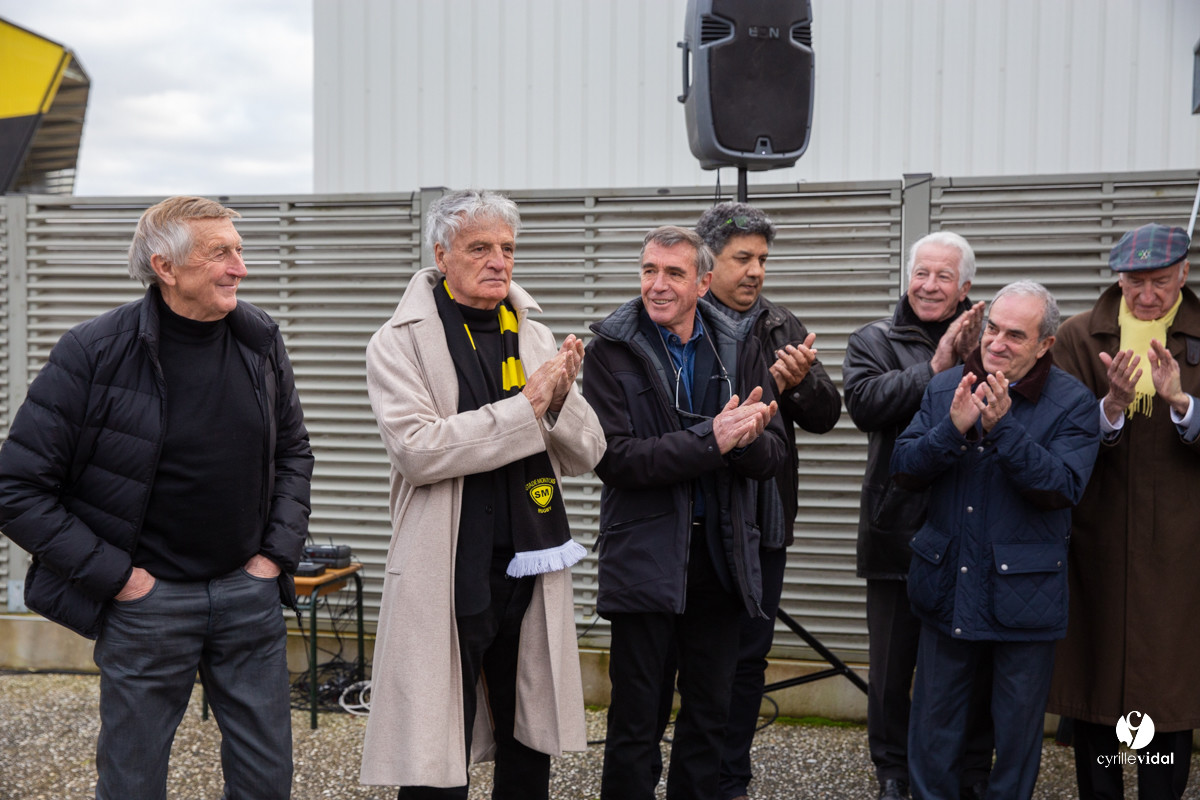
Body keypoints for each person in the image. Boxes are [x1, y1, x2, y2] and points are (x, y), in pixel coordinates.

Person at [0, 196, 314, 800]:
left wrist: (273, 557)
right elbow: (17, 489)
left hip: (246, 594)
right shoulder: (93, 352)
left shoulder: (260, 340)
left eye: (239, 250)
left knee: (267, 780)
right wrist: (121, 580)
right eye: (220, 252)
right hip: (147, 604)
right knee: (132, 782)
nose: (239, 268)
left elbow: (294, 453)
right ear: (166, 267)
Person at [358, 189, 606, 798]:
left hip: (528, 562)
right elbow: (419, 451)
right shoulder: (399, 340)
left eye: (507, 248)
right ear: (442, 255)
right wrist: (527, 408)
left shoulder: (535, 335)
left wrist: (558, 403)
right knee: (435, 743)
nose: (499, 260)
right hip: (448, 565)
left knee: (528, 738)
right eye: (480, 248)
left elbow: (588, 452)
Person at [582, 225, 789, 800]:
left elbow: (771, 455)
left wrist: (744, 441)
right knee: (635, 722)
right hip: (645, 558)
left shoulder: (738, 345)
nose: (658, 284)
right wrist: (713, 441)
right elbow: (616, 458)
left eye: (674, 273)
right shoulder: (609, 350)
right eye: (649, 270)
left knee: (708, 719)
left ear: (703, 282)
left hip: (721, 560)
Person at [892, 280, 1100, 800]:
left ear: (1045, 345)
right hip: (946, 587)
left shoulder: (1074, 403)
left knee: (1015, 740)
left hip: (1023, 599)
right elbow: (904, 470)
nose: (997, 342)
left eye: (1015, 334)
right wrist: (952, 430)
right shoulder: (946, 388)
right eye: (992, 329)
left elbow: (1062, 487)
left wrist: (1004, 429)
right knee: (933, 732)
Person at [693, 202, 841, 800]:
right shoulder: (683, 319)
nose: (755, 271)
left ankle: (732, 778)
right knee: (698, 661)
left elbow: (827, 415)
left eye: (763, 260)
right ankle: (692, 774)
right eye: (742, 258)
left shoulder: (781, 323)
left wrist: (801, 381)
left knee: (750, 657)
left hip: (765, 522)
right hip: (699, 521)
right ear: (708, 263)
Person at [1047, 222, 1200, 799]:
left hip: (1183, 543)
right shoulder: (1080, 337)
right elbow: (1059, 433)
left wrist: (1183, 403)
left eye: (1160, 282)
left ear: (1183, 274)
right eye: (1135, 282)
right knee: (1097, 682)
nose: (1147, 296)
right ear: (1119, 278)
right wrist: (1109, 406)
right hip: (1098, 536)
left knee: (1168, 688)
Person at [841, 231, 993, 800]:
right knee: (892, 667)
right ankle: (893, 772)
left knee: (971, 659)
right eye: (921, 273)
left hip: (970, 528)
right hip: (896, 526)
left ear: (965, 288)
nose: (929, 286)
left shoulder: (992, 339)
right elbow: (865, 405)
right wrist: (937, 364)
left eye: (943, 276)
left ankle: (971, 770)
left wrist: (974, 353)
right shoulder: (874, 340)